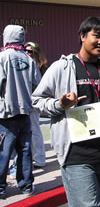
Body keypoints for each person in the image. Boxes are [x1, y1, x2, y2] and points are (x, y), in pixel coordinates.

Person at [32, 17, 100, 207]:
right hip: (76, 156)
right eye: (96, 36)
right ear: (82, 36)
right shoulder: (61, 67)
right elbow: (36, 101)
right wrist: (60, 104)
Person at [0, 25, 41, 199]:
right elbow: (37, 85)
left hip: (6, 113)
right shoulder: (28, 59)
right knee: (25, 151)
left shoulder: (2, 57)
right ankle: (26, 185)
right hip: (26, 112)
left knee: (3, 152)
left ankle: (1, 188)